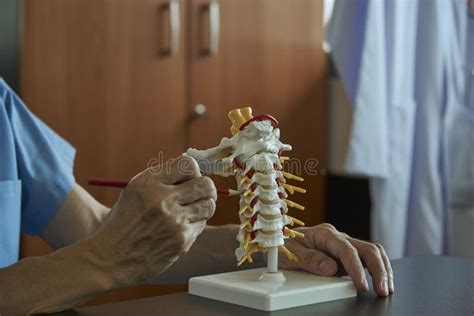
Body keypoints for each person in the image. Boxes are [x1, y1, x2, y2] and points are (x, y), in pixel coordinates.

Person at [0, 78, 393, 315]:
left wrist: (275, 245)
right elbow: (106, 248)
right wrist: (106, 259)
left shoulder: (3, 106)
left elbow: (93, 230)